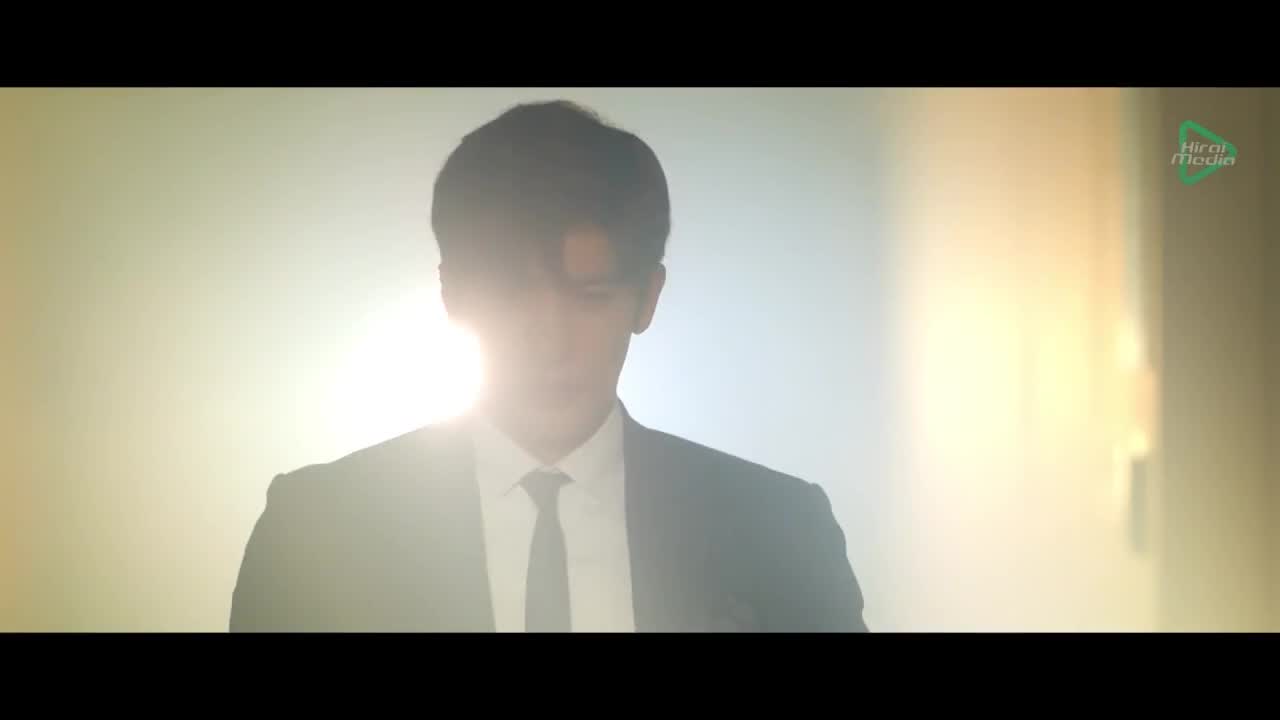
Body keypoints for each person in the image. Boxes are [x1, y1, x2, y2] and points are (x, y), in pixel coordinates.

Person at [229, 99, 868, 632]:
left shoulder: (778, 529)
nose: (550, 340)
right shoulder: (315, 528)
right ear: (453, 296)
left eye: (590, 297)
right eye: (512, 295)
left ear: (647, 297)